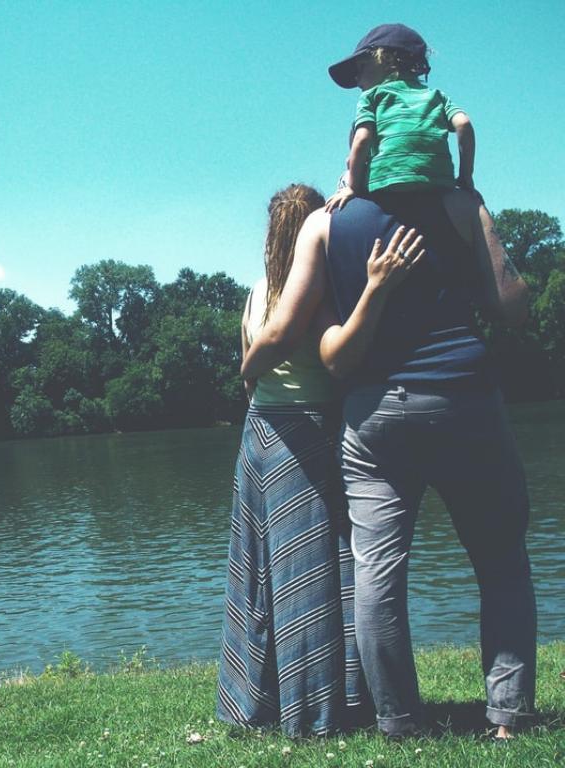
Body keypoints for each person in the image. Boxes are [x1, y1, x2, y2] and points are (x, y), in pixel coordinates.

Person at [242, 183, 534, 739]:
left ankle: (399, 721)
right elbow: (513, 307)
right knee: (501, 563)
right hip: (466, 400)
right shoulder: (459, 204)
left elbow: (330, 355)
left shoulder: (327, 223)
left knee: (377, 572)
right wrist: (478, 219)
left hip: (374, 414)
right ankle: (509, 717)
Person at [216, 183, 418, 736]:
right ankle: (322, 709)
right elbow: (331, 358)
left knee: (262, 573)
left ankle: (257, 702)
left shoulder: (257, 292)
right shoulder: (323, 289)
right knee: (318, 571)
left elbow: (249, 368)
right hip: (310, 429)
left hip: (260, 432)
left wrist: (249, 374)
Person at [324, 23, 474, 212]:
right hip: (438, 182)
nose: (357, 79)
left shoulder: (371, 96)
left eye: (361, 68)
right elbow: (464, 123)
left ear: (386, 59)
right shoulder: (436, 96)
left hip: (387, 180)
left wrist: (352, 187)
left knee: (347, 175)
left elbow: (362, 139)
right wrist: (465, 177)